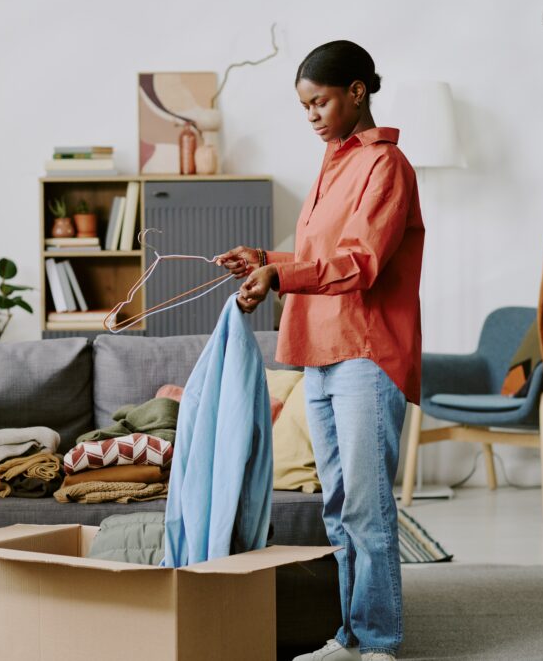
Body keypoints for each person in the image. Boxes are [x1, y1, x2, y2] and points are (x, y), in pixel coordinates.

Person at [217, 40, 423, 661]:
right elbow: (314, 261)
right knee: (336, 507)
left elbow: (359, 264)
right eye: (303, 105)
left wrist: (282, 278)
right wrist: (267, 261)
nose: (310, 114)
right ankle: (350, 637)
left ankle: (380, 642)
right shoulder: (333, 161)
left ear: (357, 92)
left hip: (367, 353)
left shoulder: (386, 165)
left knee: (365, 503)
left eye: (320, 101)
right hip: (321, 352)